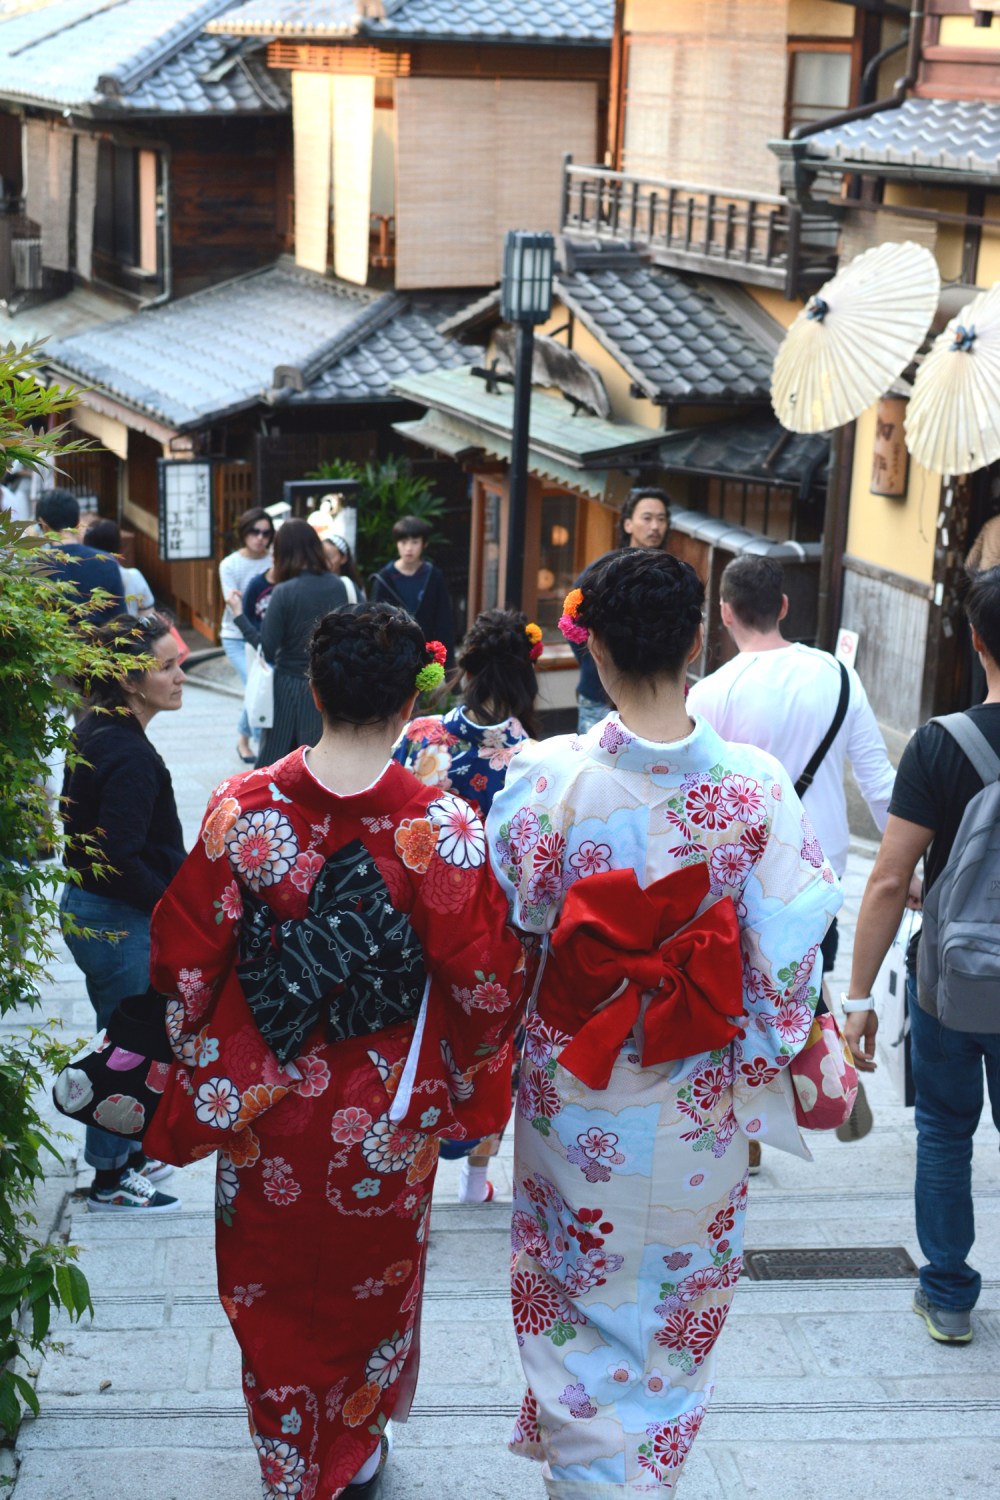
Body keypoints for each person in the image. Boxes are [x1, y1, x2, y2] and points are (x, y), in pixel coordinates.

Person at [140, 602, 525, 1499]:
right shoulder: (443, 828)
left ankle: (288, 1455)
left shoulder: (241, 808)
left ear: (312, 691)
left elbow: (186, 959)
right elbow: (484, 988)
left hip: (263, 1104)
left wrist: (200, 1056)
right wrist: (463, 1081)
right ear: (409, 704)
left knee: (267, 1279)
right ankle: (350, 1446)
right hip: (384, 1112)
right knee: (369, 1282)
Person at [486, 548, 839, 1496]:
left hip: (575, 1085)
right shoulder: (756, 786)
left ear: (593, 648)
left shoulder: (546, 777)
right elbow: (787, 964)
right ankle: (637, 1474)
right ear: (694, 644)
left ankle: (586, 1465)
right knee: (680, 1293)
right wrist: (764, 1057)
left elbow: (519, 922)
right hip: (696, 1093)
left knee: (567, 1280)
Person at [687, 554, 896, 1158]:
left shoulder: (712, 692)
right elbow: (880, 784)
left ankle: (751, 1131)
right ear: (783, 606)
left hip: (744, 878)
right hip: (819, 877)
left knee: (741, 1001)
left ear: (725, 613)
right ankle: (826, 1071)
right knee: (803, 984)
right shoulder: (837, 675)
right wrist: (903, 863)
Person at [843, 567, 1000, 1348]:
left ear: (975, 641)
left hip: (954, 984)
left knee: (944, 1130)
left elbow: (886, 881)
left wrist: (858, 998)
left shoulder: (942, 744)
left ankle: (947, 1296)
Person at [396, 606, 542, 1202]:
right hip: (495, 928)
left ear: (467, 668)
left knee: (417, 1041)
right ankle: (475, 1178)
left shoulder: (420, 737)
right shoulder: (535, 758)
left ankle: (416, 1171)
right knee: (492, 1045)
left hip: (416, 918)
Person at [59, 614, 187, 1212]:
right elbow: (117, 858)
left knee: (126, 1034)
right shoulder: (127, 752)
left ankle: (130, 1152)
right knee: (126, 1045)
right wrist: (171, 907)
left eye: (178, 662)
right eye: (167, 667)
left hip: (97, 912)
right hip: (115, 918)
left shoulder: (100, 727)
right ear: (132, 681)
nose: (180, 676)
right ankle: (111, 1177)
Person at [573, 488, 671, 733]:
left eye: (661, 519)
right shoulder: (605, 569)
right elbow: (571, 620)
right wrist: (595, 658)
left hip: (652, 692)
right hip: (600, 690)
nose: (655, 526)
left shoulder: (670, 571)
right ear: (628, 524)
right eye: (647, 518)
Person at [256, 519, 349, 766]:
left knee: (275, 761)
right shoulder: (339, 585)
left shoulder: (284, 591)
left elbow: (266, 648)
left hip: (288, 685)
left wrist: (239, 618)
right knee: (319, 761)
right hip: (329, 684)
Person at [219, 507, 274, 764]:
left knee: (257, 685)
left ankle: (244, 738)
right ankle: (259, 743)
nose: (260, 538)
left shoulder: (275, 560)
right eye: (254, 531)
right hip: (236, 635)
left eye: (266, 533)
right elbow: (234, 602)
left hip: (266, 637)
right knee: (255, 683)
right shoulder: (230, 564)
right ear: (243, 532)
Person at [369, 515, 454, 661]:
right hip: (392, 657)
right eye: (403, 542)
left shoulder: (434, 577)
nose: (409, 548)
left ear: (424, 544)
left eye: (415, 542)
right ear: (397, 543)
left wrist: (447, 661)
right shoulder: (384, 579)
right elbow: (374, 623)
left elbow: (444, 622)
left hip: (427, 655)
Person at [35, 489, 123, 627]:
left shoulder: (37, 568)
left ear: (43, 524)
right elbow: (121, 621)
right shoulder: (107, 562)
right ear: (77, 522)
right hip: (103, 639)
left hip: (55, 640)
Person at [82, 517, 155, 616]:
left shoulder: (77, 576)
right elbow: (148, 615)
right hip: (128, 625)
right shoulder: (133, 576)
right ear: (118, 544)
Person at [323, 531, 366, 603]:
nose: (324, 561)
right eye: (321, 556)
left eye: (329, 557)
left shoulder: (352, 587)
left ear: (344, 558)